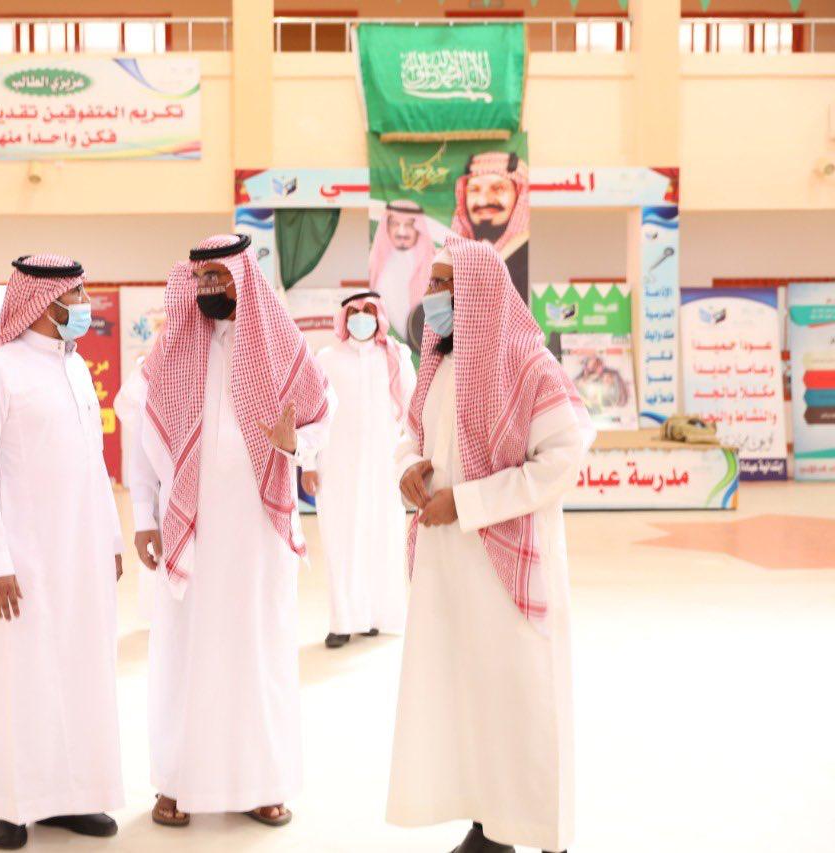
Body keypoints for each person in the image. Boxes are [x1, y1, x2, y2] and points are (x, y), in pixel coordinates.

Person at [386, 239, 593, 853]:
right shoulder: (438, 365)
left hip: (509, 566)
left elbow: (563, 458)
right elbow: (412, 434)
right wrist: (408, 466)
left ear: (475, 291)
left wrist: (469, 503)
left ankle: (543, 834)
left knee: (522, 699)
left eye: (441, 285)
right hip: (449, 566)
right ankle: (487, 828)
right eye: (431, 285)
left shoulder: (530, 367)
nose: (431, 297)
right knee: (468, 697)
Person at [127, 234, 335, 829]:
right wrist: (143, 516)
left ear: (244, 277)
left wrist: (298, 442)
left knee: (258, 651)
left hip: (258, 537)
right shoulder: (170, 352)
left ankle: (261, 783)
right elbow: (143, 438)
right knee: (184, 655)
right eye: (202, 278)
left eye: (220, 276)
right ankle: (176, 782)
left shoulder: (281, 346)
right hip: (188, 530)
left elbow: (323, 416)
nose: (210, 287)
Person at [0, 255, 124, 850]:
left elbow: (94, 463)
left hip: (82, 554)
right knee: (20, 678)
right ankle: (13, 806)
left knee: (81, 670)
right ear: (47, 302)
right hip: (20, 560)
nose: (86, 305)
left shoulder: (75, 367)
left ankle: (74, 798)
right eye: (79, 294)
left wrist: (111, 538)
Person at [310, 291, 415, 648]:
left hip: (384, 468)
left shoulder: (396, 357)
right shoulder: (327, 359)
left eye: (369, 311)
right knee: (341, 542)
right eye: (354, 311)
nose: (362, 317)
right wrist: (308, 462)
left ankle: (374, 617)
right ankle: (342, 621)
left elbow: (413, 410)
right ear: (343, 318)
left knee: (382, 539)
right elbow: (312, 412)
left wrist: (414, 461)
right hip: (336, 467)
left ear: (380, 316)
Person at [451, 151, 531, 299]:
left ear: (520, 195)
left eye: (498, 189)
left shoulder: (532, 255)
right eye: (474, 190)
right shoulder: (454, 260)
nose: (483, 201)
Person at [369, 199, 435, 343]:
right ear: (387, 226)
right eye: (395, 224)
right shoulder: (374, 264)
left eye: (409, 225)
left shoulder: (433, 266)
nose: (401, 232)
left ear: (418, 228)